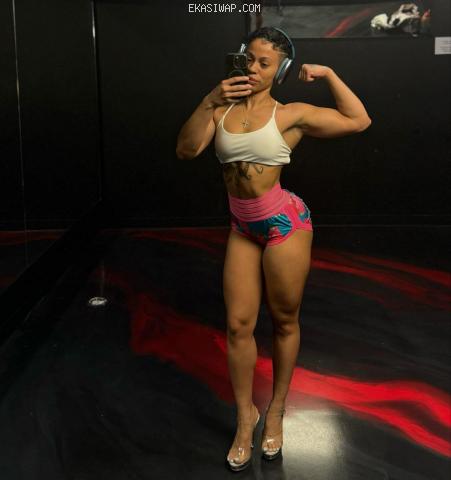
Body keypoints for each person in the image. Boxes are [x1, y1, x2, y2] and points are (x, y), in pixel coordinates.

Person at [176, 26, 371, 472]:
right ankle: (245, 417)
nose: (254, 68)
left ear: (280, 71)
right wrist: (208, 100)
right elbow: (186, 150)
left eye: (266, 63)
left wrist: (329, 74)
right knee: (237, 326)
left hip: (285, 224)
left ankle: (277, 409)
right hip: (242, 226)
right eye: (250, 58)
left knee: (284, 320)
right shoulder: (220, 108)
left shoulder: (291, 114)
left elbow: (359, 120)